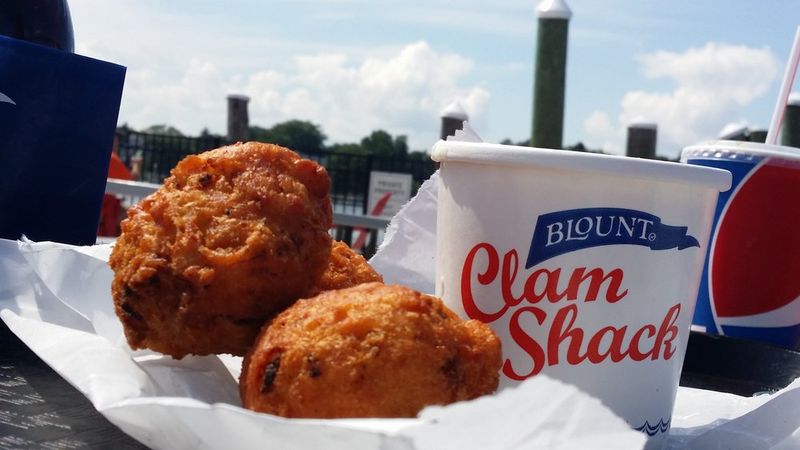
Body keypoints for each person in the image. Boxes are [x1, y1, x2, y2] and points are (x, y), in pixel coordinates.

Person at [98, 134, 132, 237]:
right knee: (133, 216)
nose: (117, 145)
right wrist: (136, 166)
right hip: (105, 207)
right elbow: (131, 182)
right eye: (115, 142)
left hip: (103, 205)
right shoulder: (111, 158)